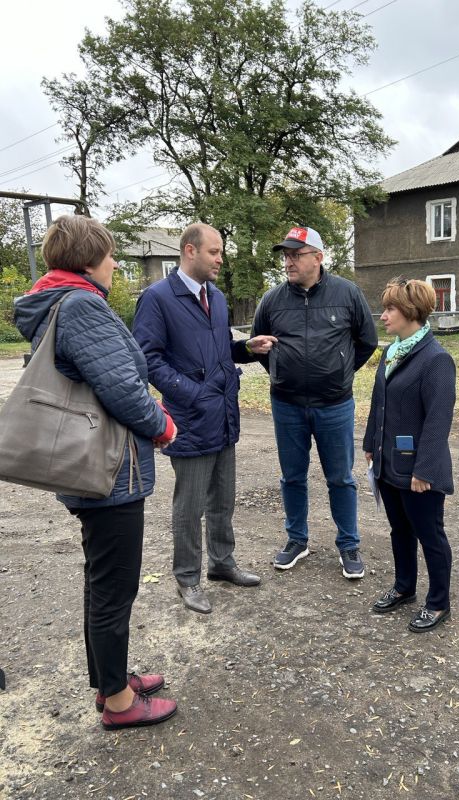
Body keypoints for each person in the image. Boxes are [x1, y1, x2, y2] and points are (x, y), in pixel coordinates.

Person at [13, 215, 178, 730]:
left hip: (91, 469)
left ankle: (112, 681)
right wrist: (162, 426)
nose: (115, 267)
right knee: (114, 586)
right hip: (109, 473)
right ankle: (119, 703)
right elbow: (123, 389)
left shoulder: (56, 301)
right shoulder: (82, 305)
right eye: (110, 257)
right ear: (88, 261)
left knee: (101, 581)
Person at [133, 222, 276, 614]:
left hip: (224, 416)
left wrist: (247, 348)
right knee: (189, 505)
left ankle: (222, 563)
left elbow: (219, 351)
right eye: (214, 251)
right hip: (191, 420)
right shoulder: (158, 298)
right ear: (189, 251)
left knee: (222, 500)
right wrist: (193, 394)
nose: (220, 259)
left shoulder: (217, 296)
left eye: (221, 251)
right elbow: (148, 359)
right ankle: (187, 577)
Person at [251, 225, 378, 579]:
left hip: (334, 405)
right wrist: (281, 370)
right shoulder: (272, 299)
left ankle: (348, 543)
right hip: (287, 404)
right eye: (286, 256)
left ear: (318, 258)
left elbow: (367, 341)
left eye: (296, 255)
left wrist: (338, 372)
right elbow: (259, 344)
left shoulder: (347, 293)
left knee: (340, 478)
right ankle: (297, 539)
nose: (288, 262)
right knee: (292, 477)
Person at [363, 277, 456, 632]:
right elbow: (379, 404)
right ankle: (404, 587)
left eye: (390, 309)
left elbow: (438, 421)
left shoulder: (436, 359)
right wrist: (371, 444)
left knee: (430, 535)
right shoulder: (391, 351)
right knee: (399, 530)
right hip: (389, 464)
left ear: (411, 312)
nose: (383, 316)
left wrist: (425, 470)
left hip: (420, 472)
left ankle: (438, 603)